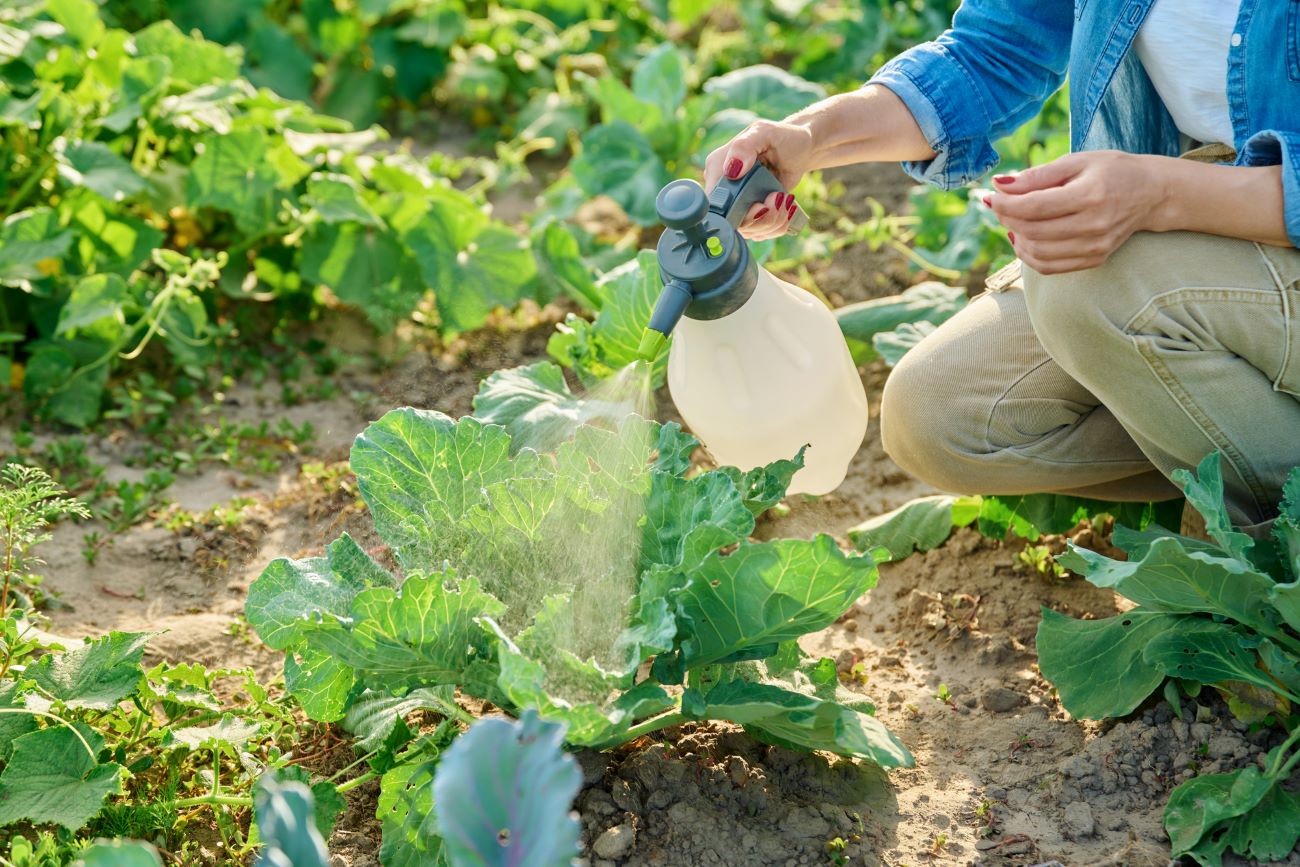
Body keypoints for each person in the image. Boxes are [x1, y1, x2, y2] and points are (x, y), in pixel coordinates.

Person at [703, 0, 1300, 533]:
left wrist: (1162, 195)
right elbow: (995, 50)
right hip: (1208, 220)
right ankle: (1233, 473)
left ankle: (1274, 542)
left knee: (1090, 287)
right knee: (939, 415)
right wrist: (809, 136)